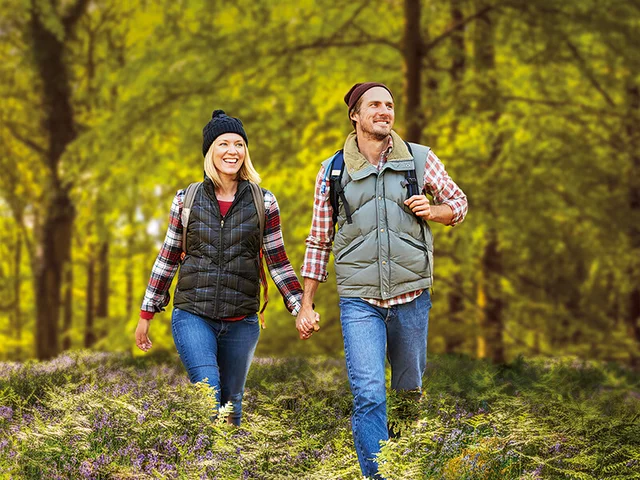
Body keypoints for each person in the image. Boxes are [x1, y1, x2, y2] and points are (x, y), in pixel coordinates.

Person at [296, 83, 468, 478]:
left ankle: (405, 468)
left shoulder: (420, 160)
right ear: (355, 115)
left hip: (411, 296)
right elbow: (319, 239)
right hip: (360, 301)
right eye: (374, 104)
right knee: (369, 394)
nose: (384, 111)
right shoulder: (333, 170)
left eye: (389, 105)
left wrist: (436, 211)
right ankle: (379, 475)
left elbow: (459, 203)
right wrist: (306, 303)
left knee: (409, 396)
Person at [136, 110, 308, 426]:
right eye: (223, 144)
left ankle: (228, 465)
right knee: (207, 393)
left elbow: (277, 261)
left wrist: (301, 308)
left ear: (246, 151)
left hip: (242, 320)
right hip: (193, 314)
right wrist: (146, 314)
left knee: (231, 405)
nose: (232, 151)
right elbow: (168, 256)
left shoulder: (264, 201)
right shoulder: (186, 199)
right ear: (210, 152)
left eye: (239, 144)